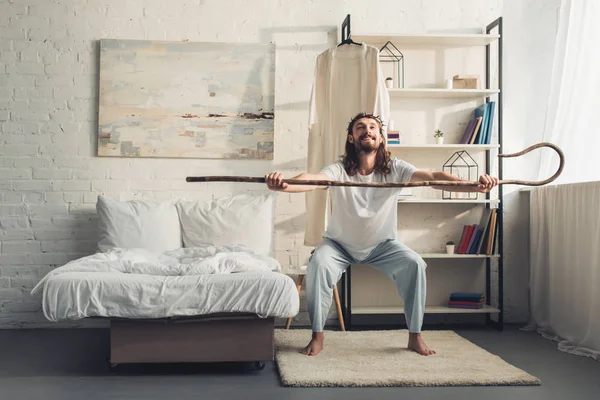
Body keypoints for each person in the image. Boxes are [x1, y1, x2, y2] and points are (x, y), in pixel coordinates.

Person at [265, 112, 499, 357]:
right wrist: (284, 184)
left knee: (415, 264)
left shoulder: (395, 168)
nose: (367, 130)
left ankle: (415, 336)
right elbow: (312, 179)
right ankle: (317, 335)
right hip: (338, 245)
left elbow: (432, 178)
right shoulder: (339, 169)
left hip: (383, 246)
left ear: (381, 137)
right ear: (351, 138)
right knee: (318, 265)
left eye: (372, 127)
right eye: (360, 127)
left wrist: (473, 186)